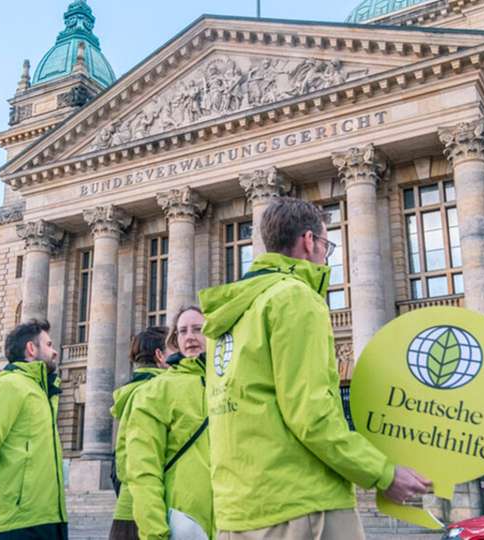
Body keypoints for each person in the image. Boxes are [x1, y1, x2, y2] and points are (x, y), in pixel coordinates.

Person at [199, 197, 431, 539]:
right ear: (309, 241)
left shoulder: (229, 314)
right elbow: (311, 415)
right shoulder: (294, 298)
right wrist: (382, 473)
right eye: (327, 244)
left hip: (238, 511)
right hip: (302, 505)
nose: (326, 254)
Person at [0, 320, 67, 540]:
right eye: (48, 344)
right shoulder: (9, 385)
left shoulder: (41, 393)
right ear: (31, 348)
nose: (55, 351)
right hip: (13, 523)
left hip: (46, 519)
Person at [125, 306, 213, 539]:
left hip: (234, 522)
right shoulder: (156, 391)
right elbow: (143, 469)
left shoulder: (233, 383)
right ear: (175, 340)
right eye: (183, 331)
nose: (190, 336)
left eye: (198, 329)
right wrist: (155, 533)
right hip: (187, 522)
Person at [109, 326, 172, 540]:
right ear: (160, 356)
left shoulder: (131, 392)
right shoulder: (156, 391)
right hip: (150, 513)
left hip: (127, 510)